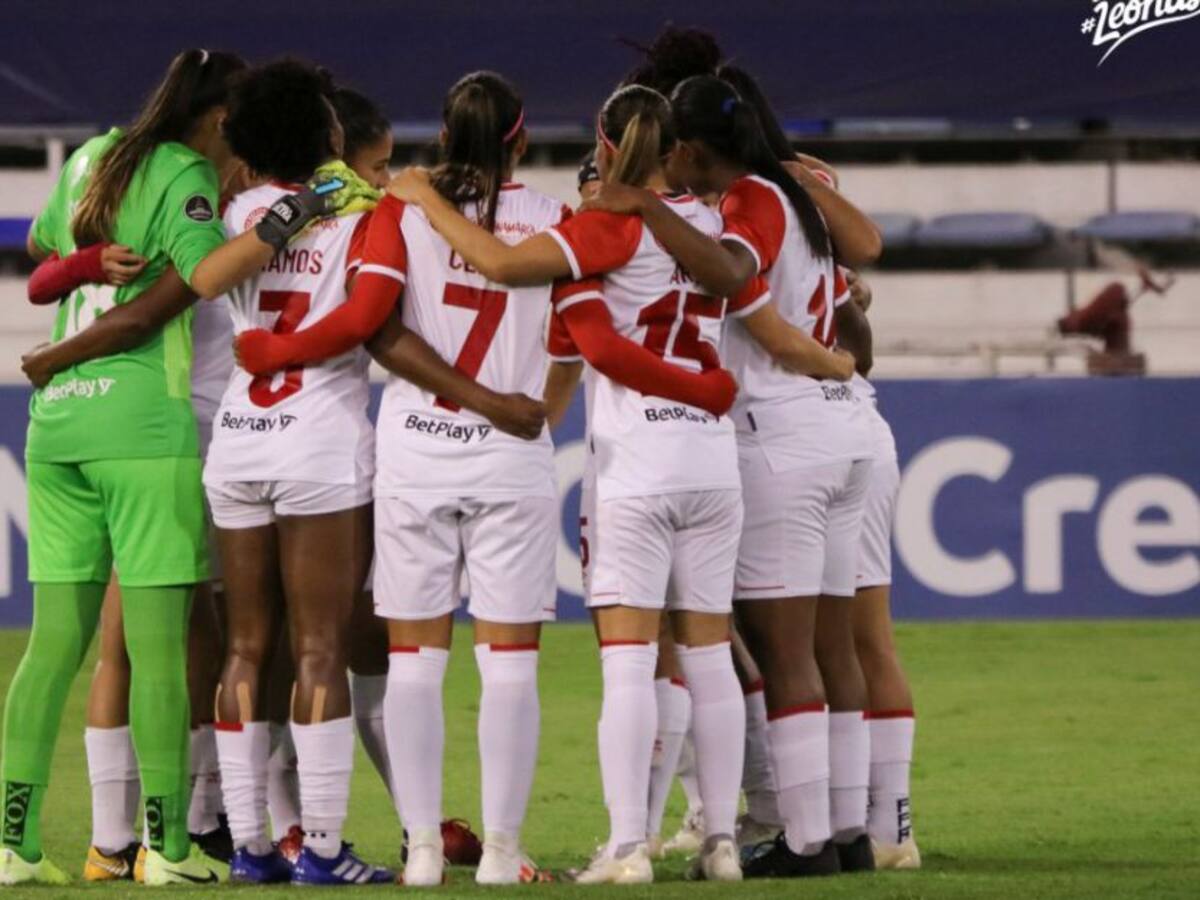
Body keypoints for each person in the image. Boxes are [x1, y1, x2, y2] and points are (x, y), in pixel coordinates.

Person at [386, 80, 855, 883]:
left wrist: (423, 194)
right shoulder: (713, 227)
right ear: (675, 149)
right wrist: (820, 363)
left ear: (604, 147)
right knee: (710, 660)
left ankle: (625, 846)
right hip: (712, 461)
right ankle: (718, 847)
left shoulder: (597, 229)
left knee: (630, 660)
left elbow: (504, 267)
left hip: (637, 460)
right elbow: (760, 306)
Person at [585, 73, 876, 878]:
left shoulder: (747, 200)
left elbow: (727, 274)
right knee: (831, 642)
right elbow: (865, 259)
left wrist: (643, 207)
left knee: (780, 652)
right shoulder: (799, 190)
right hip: (845, 423)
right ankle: (849, 829)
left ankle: (808, 839)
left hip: (778, 429)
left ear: (690, 148)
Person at [1, 47, 247, 887]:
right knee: (158, 649)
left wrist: (65, 323)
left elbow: (41, 247)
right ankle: (166, 850)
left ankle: (14, 846)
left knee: (52, 647)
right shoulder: (188, 178)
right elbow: (193, 284)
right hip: (142, 426)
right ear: (219, 120)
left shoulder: (89, 157)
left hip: (57, 426)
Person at [835, 271, 922, 870]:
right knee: (855, 641)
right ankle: (884, 823)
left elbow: (858, 353)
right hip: (852, 432)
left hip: (823, 437)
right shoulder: (813, 250)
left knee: (855, 638)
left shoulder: (747, 239)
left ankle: (882, 825)